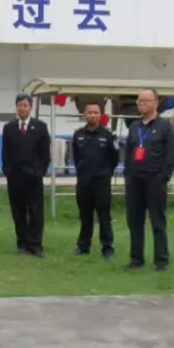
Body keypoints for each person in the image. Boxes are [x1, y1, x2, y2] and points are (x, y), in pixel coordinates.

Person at [123, 89, 174, 271]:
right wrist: (128, 175)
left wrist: (163, 176)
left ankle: (161, 259)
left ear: (155, 103)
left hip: (155, 180)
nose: (142, 103)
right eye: (139, 100)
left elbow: (170, 155)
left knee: (157, 220)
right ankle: (136, 258)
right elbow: (128, 152)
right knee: (134, 221)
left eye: (146, 100)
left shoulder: (165, 127)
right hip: (135, 181)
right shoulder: (134, 126)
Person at [1, 93, 52, 257]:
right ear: (16, 108)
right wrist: (7, 170)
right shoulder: (9, 128)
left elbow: (45, 153)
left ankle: (35, 245)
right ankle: (22, 243)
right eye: (20, 105)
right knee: (18, 211)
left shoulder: (40, 127)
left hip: (33, 176)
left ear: (31, 107)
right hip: (15, 176)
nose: (22, 108)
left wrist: (40, 171)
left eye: (25, 105)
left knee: (35, 211)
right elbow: (5, 152)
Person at [71, 101, 119, 258]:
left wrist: (105, 174)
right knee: (85, 216)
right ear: (85, 115)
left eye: (96, 112)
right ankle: (83, 246)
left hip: (101, 183)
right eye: (90, 112)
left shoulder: (109, 135)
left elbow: (114, 158)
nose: (93, 115)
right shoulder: (78, 135)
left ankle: (107, 247)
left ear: (101, 115)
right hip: (84, 183)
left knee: (104, 216)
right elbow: (76, 157)